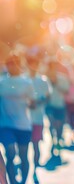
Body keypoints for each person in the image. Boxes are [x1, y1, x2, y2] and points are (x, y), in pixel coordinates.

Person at [0, 55, 36, 184]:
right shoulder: (1, 82)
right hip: (5, 124)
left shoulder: (27, 83)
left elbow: (33, 103)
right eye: (10, 64)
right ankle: (13, 181)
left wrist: (33, 103)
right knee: (10, 154)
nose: (12, 67)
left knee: (23, 156)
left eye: (15, 64)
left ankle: (24, 181)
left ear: (19, 65)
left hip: (23, 124)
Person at [26, 55, 52, 182]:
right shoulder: (23, 80)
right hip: (23, 120)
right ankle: (27, 166)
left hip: (37, 118)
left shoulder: (43, 80)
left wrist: (38, 102)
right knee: (24, 146)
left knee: (36, 144)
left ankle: (35, 166)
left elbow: (47, 97)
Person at [46, 59, 70, 155]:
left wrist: (56, 84)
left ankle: (59, 140)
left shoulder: (62, 78)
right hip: (49, 105)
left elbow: (67, 91)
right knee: (51, 125)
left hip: (60, 105)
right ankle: (53, 142)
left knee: (59, 126)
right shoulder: (45, 79)